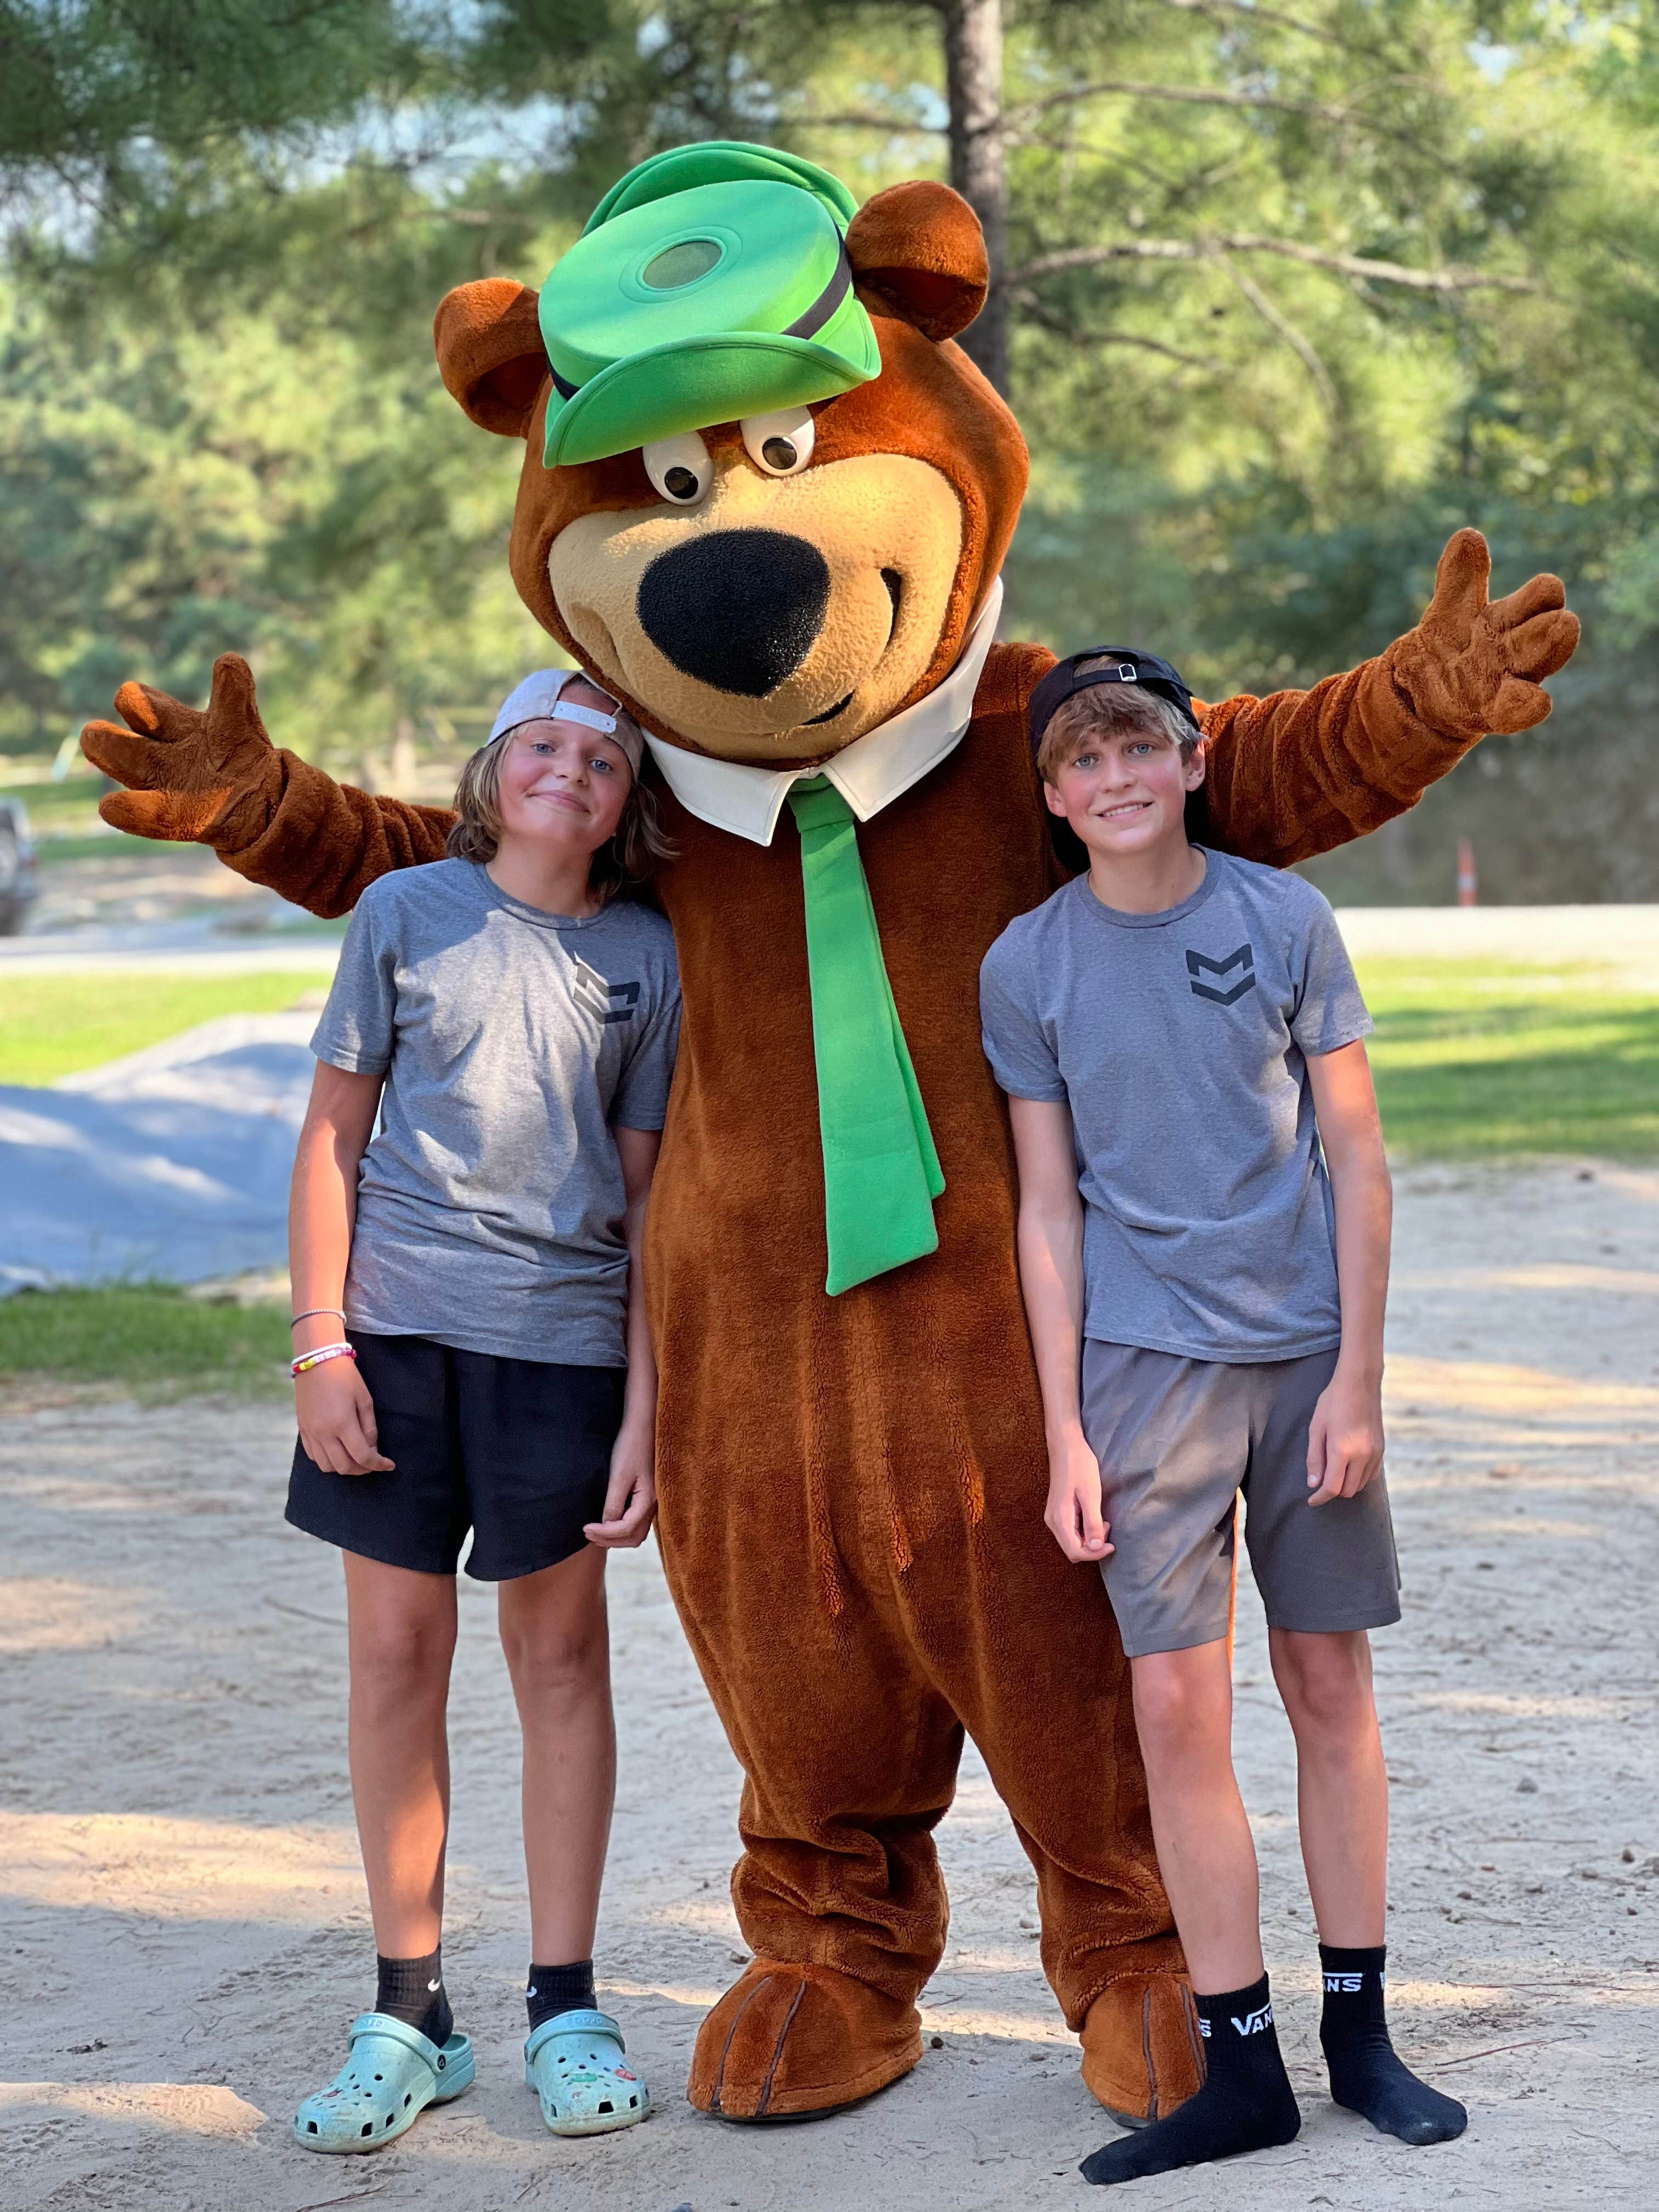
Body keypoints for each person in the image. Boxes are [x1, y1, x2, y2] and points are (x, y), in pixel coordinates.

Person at [979, 651, 1468, 2185]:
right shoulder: (1027, 964)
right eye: (1087, 761)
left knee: (1329, 1691)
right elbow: (1046, 1210)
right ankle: (1240, 2062)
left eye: (1144, 750)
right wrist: (1064, 1429)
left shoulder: (1284, 921)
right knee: (1179, 1714)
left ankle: (1363, 2034)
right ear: (1057, 797)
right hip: (1142, 1382)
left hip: (1304, 1365)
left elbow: (1360, 1161)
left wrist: (1360, 1383)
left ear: (1190, 765)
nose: (1118, 779)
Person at [283, 669, 679, 2153]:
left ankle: (564, 2004)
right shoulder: (405, 914)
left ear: (628, 800)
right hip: (392, 1344)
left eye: (602, 758)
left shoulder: (647, 955)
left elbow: (647, 1207)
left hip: (564, 1357)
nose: (569, 771)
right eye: (546, 745)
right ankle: (410, 2011)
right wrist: (321, 1346)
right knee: (394, 1656)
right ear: (496, 763)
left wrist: (645, 1414)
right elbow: (333, 1139)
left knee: (561, 1655)